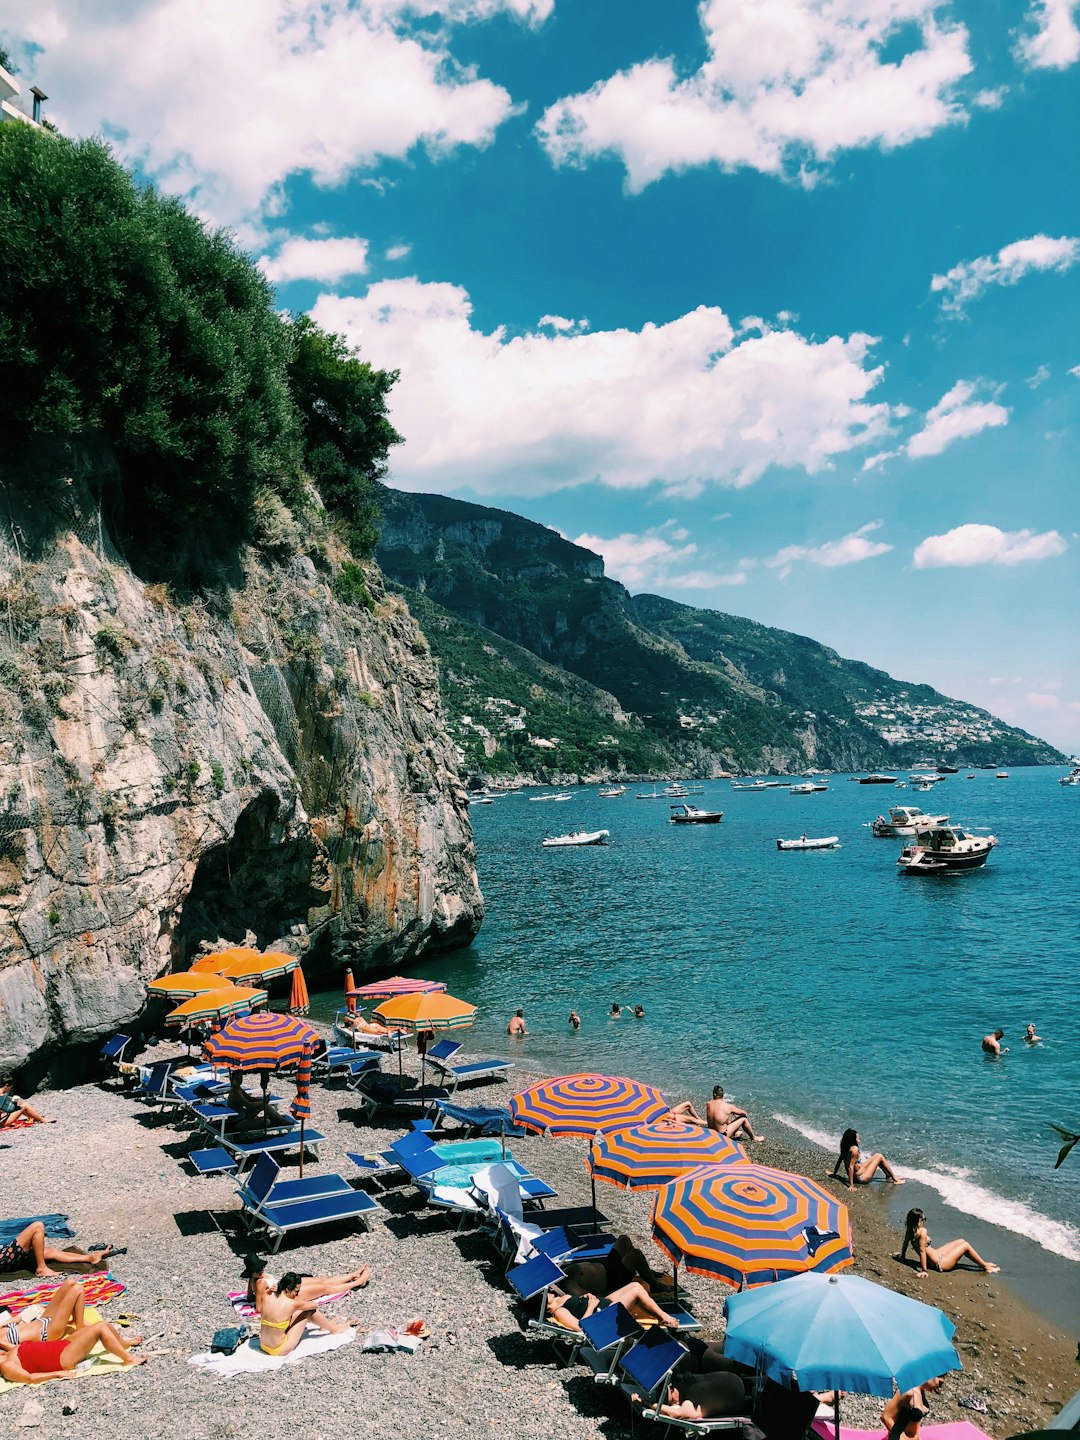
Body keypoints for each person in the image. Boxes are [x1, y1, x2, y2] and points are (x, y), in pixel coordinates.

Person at [0, 1318, 145, 1383]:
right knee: (99, 1328)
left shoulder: (7, 1354)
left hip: (62, 1345)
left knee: (103, 1324)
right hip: (62, 1358)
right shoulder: (7, 1366)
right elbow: (29, 1378)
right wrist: (57, 1374)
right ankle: (128, 1359)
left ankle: (123, 1343)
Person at [257, 1272, 349, 1357]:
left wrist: (270, 1290)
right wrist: (299, 1302)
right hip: (279, 1350)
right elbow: (314, 1306)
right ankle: (333, 1329)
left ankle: (325, 1326)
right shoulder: (292, 1303)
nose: (297, 1295)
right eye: (297, 1291)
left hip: (263, 1345)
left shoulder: (267, 1295)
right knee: (308, 1311)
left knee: (289, 1315)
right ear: (288, 1289)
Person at [558, 1234, 675, 1300]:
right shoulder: (569, 1284)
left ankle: (644, 1270)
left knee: (624, 1239)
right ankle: (654, 1285)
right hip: (612, 1281)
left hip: (606, 1265)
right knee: (636, 1255)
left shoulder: (562, 1271)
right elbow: (586, 1299)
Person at [545, 1279, 679, 1334]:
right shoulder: (559, 1312)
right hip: (603, 1317)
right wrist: (591, 1307)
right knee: (636, 1291)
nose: (548, 1291)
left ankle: (658, 1315)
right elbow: (581, 1327)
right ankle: (664, 1317)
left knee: (636, 1285)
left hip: (604, 1304)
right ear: (544, 1305)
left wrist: (587, 1297)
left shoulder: (559, 1299)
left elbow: (578, 1306)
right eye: (545, 1294)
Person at [242, 1255, 371, 1312]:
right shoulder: (259, 1283)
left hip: (285, 1284)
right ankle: (358, 1282)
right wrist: (269, 1292)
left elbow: (249, 1298)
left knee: (322, 1280)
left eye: (261, 1268)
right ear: (252, 1272)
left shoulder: (253, 1279)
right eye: (258, 1270)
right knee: (324, 1288)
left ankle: (353, 1274)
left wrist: (264, 1293)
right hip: (286, 1294)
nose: (261, 1271)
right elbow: (259, 1309)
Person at [897, 1209, 999, 1276]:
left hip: (936, 1255)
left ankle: (983, 1263)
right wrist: (924, 1270)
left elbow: (905, 1243)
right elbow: (922, 1251)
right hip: (940, 1264)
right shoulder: (922, 1232)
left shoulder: (910, 1230)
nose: (924, 1221)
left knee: (961, 1241)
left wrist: (902, 1257)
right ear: (919, 1220)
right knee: (965, 1245)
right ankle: (985, 1267)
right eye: (924, 1219)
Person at [0, 1223, 121, 1280]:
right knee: (37, 1226)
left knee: (50, 1252)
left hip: (5, 1258)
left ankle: (90, 1258)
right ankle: (41, 1269)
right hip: (3, 1258)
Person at [635, 1371, 748, 1423]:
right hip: (740, 1397)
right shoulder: (689, 1403)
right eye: (671, 1389)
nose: (674, 1385)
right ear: (675, 1402)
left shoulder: (688, 1383)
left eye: (672, 1384)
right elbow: (677, 1414)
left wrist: (688, 1375)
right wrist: (647, 1403)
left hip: (739, 1382)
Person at [0, 1279, 86, 1347]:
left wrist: (2, 1324)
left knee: (70, 1283)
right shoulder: (2, 1344)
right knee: (78, 1289)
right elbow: (17, 1350)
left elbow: (19, 1318)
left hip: (42, 1320)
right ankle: (80, 1330)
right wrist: (2, 1343)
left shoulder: (1, 1328)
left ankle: (75, 1319)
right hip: (47, 1332)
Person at [830, 1129, 904, 1190]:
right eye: (857, 1138)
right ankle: (895, 1179)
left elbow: (839, 1161)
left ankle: (888, 1175)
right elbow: (850, 1167)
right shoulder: (854, 1150)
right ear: (853, 1139)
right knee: (880, 1157)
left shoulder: (845, 1147)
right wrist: (851, 1185)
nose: (859, 1139)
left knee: (877, 1155)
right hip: (861, 1178)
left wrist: (834, 1174)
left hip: (859, 1171)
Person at [881, 1375, 945, 1439]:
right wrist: (903, 1438)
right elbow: (886, 1417)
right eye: (939, 1383)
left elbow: (914, 1422)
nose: (939, 1387)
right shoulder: (908, 1392)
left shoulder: (921, 1392)